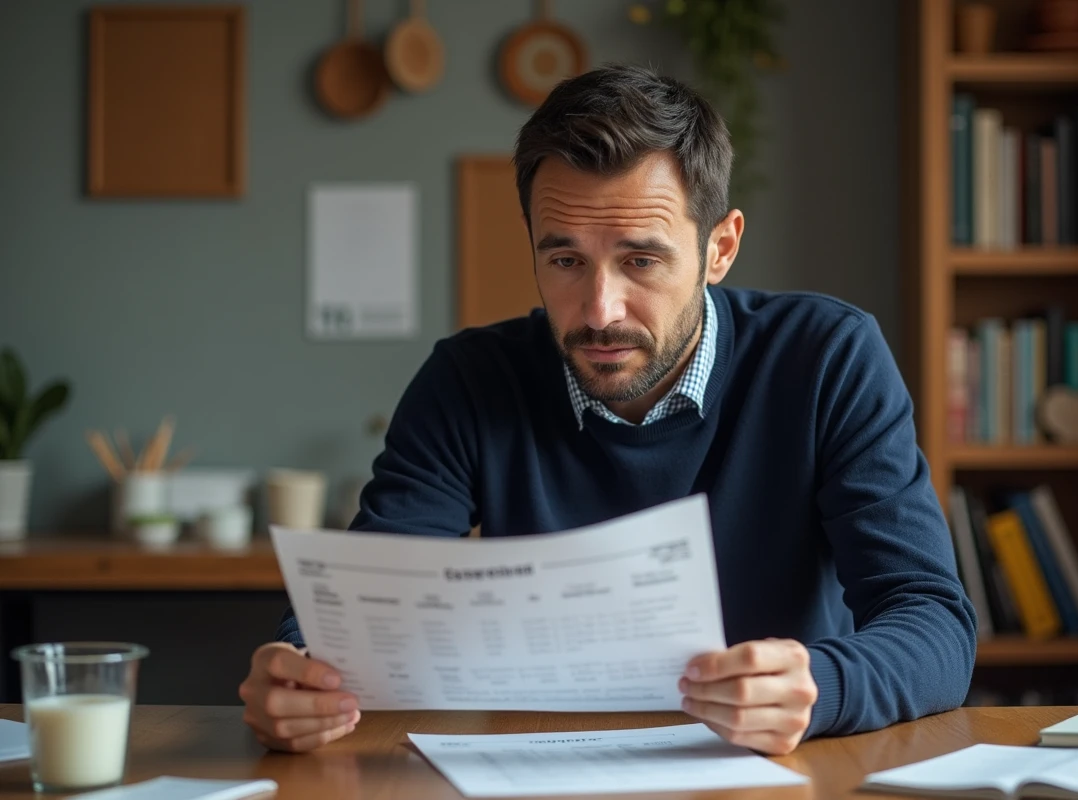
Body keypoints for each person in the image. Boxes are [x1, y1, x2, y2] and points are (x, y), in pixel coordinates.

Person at [238, 63, 977, 755]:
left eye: (641, 261)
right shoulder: (468, 379)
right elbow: (365, 603)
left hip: (775, 771)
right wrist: (300, 672)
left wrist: (824, 685)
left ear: (720, 248)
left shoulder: (827, 357)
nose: (599, 310)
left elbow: (935, 624)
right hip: (535, 769)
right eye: (565, 261)